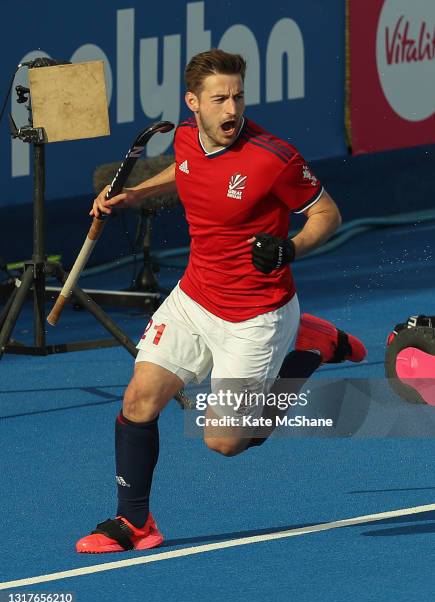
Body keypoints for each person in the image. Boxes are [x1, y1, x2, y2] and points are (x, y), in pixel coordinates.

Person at [76, 49, 366, 554]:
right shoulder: (186, 137)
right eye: (220, 99)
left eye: (238, 97)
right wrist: (137, 195)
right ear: (194, 104)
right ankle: (134, 523)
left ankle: (307, 351)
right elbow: (185, 168)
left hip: (257, 316)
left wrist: (291, 247)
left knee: (225, 441)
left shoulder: (273, 158)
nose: (232, 110)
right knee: (138, 401)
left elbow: (328, 214)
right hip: (194, 297)